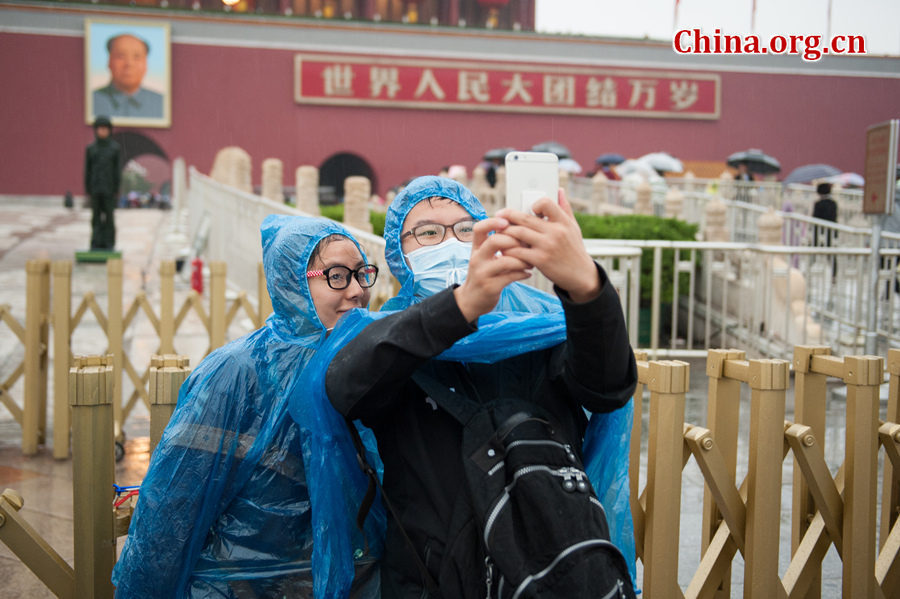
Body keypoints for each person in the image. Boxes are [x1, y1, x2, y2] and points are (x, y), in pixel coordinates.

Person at [318, 176, 638, 598]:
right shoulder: (390, 334)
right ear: (399, 253)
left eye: (465, 229)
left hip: (549, 569)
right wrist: (461, 306)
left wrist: (585, 287)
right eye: (428, 233)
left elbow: (607, 388)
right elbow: (344, 387)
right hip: (430, 578)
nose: (449, 242)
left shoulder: (537, 326)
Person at [112, 216, 384, 598]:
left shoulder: (366, 364)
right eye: (336, 276)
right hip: (243, 586)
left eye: (361, 274)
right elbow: (172, 511)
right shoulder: (238, 373)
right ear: (293, 283)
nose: (356, 290)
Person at [93, 33, 164, 119]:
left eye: (137, 57)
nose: (129, 64)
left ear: (146, 65)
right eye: (121, 56)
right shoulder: (93, 100)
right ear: (109, 62)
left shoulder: (161, 103)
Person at [84, 116, 122, 250]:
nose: (102, 131)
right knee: (96, 217)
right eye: (100, 129)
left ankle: (109, 243)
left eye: (105, 129)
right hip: (95, 187)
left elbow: (117, 170)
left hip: (109, 188)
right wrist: (87, 188)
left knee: (109, 217)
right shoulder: (91, 148)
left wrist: (117, 188)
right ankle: (96, 242)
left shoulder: (115, 148)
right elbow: (87, 170)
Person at [812, 181, 837, 246]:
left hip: (820, 230)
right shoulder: (833, 203)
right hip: (831, 229)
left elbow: (815, 217)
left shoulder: (818, 204)